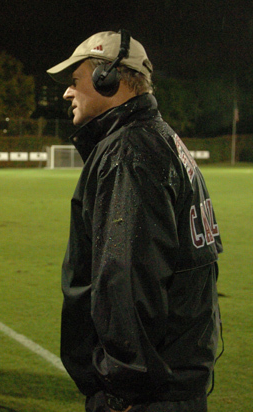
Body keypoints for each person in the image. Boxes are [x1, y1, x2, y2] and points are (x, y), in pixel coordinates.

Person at [47, 31, 222, 412]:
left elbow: (126, 280)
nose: (67, 92)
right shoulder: (160, 138)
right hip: (176, 379)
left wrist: (123, 385)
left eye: (75, 81)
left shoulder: (128, 151)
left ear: (107, 78)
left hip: (144, 394)